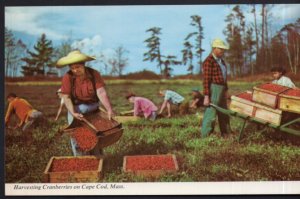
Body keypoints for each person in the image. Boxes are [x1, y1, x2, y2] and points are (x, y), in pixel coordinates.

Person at [56, 50, 115, 156]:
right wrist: (73, 113)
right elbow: (66, 97)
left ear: (83, 64)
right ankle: (81, 161)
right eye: (72, 68)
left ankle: (98, 161)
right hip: (76, 109)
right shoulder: (68, 77)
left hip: (93, 108)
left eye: (77, 67)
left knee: (96, 134)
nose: (75, 70)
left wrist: (109, 109)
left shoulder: (94, 74)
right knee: (78, 137)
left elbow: (101, 92)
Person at [201, 38, 231, 138]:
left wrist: (226, 91)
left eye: (223, 49)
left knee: (224, 112)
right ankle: (205, 136)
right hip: (214, 89)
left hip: (222, 89)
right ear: (214, 48)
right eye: (220, 49)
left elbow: (224, 77)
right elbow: (206, 80)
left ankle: (226, 134)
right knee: (211, 113)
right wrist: (206, 96)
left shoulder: (221, 61)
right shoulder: (209, 61)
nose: (223, 51)